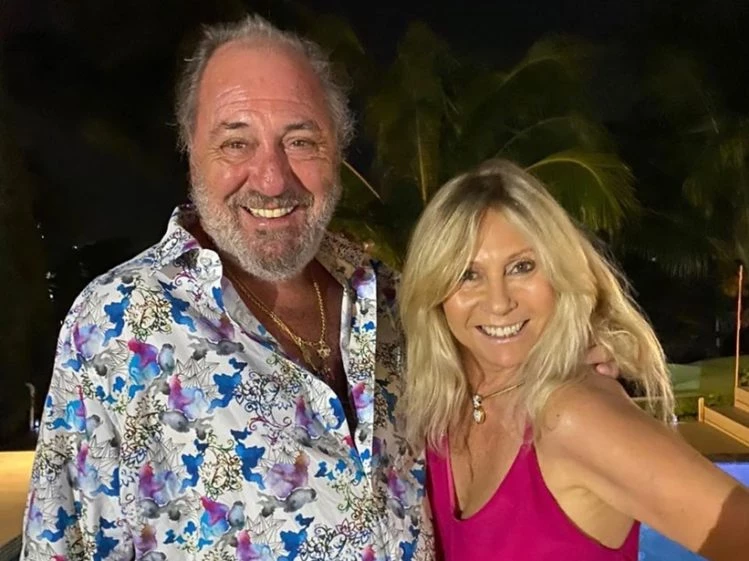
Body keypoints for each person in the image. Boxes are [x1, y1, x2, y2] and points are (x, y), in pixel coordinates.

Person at [21, 15, 432, 561]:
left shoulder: (391, 298)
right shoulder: (114, 326)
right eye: (236, 143)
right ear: (191, 148)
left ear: (338, 146)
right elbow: (60, 543)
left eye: (301, 140)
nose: (271, 179)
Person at [399, 159, 749, 561]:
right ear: (435, 291)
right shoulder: (441, 409)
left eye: (522, 267)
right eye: (467, 274)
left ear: (559, 273)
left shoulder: (575, 417)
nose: (498, 302)